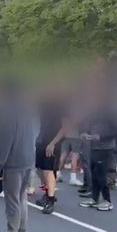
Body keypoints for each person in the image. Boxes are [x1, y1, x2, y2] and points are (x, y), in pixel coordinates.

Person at [0, 79, 34, 232]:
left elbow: (6, 137)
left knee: (12, 200)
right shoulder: (27, 106)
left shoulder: (7, 108)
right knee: (22, 198)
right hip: (28, 157)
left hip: (14, 159)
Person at [78, 87, 117, 212]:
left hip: (106, 147)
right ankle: (94, 198)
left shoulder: (112, 112)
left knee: (101, 175)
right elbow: (87, 123)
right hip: (94, 146)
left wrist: (101, 136)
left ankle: (107, 200)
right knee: (94, 173)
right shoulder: (95, 111)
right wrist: (84, 132)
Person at [34, 86, 66, 214]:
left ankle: (51, 200)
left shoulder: (62, 106)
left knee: (48, 170)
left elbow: (65, 128)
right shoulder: (43, 104)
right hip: (42, 139)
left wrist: (53, 143)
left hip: (53, 142)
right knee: (39, 169)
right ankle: (47, 192)